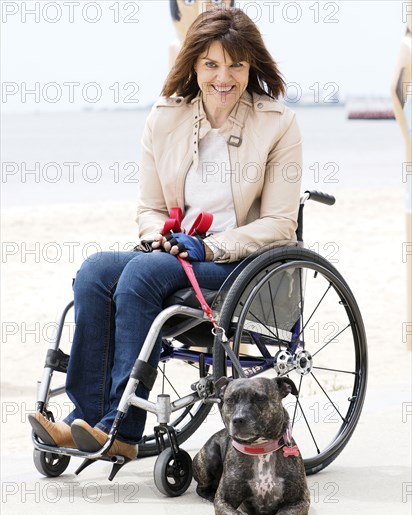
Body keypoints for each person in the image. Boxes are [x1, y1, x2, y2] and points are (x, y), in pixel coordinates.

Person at [29, 7, 302, 460]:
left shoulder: (277, 122)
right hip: (175, 254)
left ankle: (123, 428)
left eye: (235, 64)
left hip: (238, 264)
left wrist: (210, 246)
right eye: (211, 64)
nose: (224, 78)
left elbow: (279, 224)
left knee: (142, 274)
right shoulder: (165, 118)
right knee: (96, 270)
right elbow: (150, 208)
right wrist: (161, 235)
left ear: (251, 65)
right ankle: (86, 418)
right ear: (193, 64)